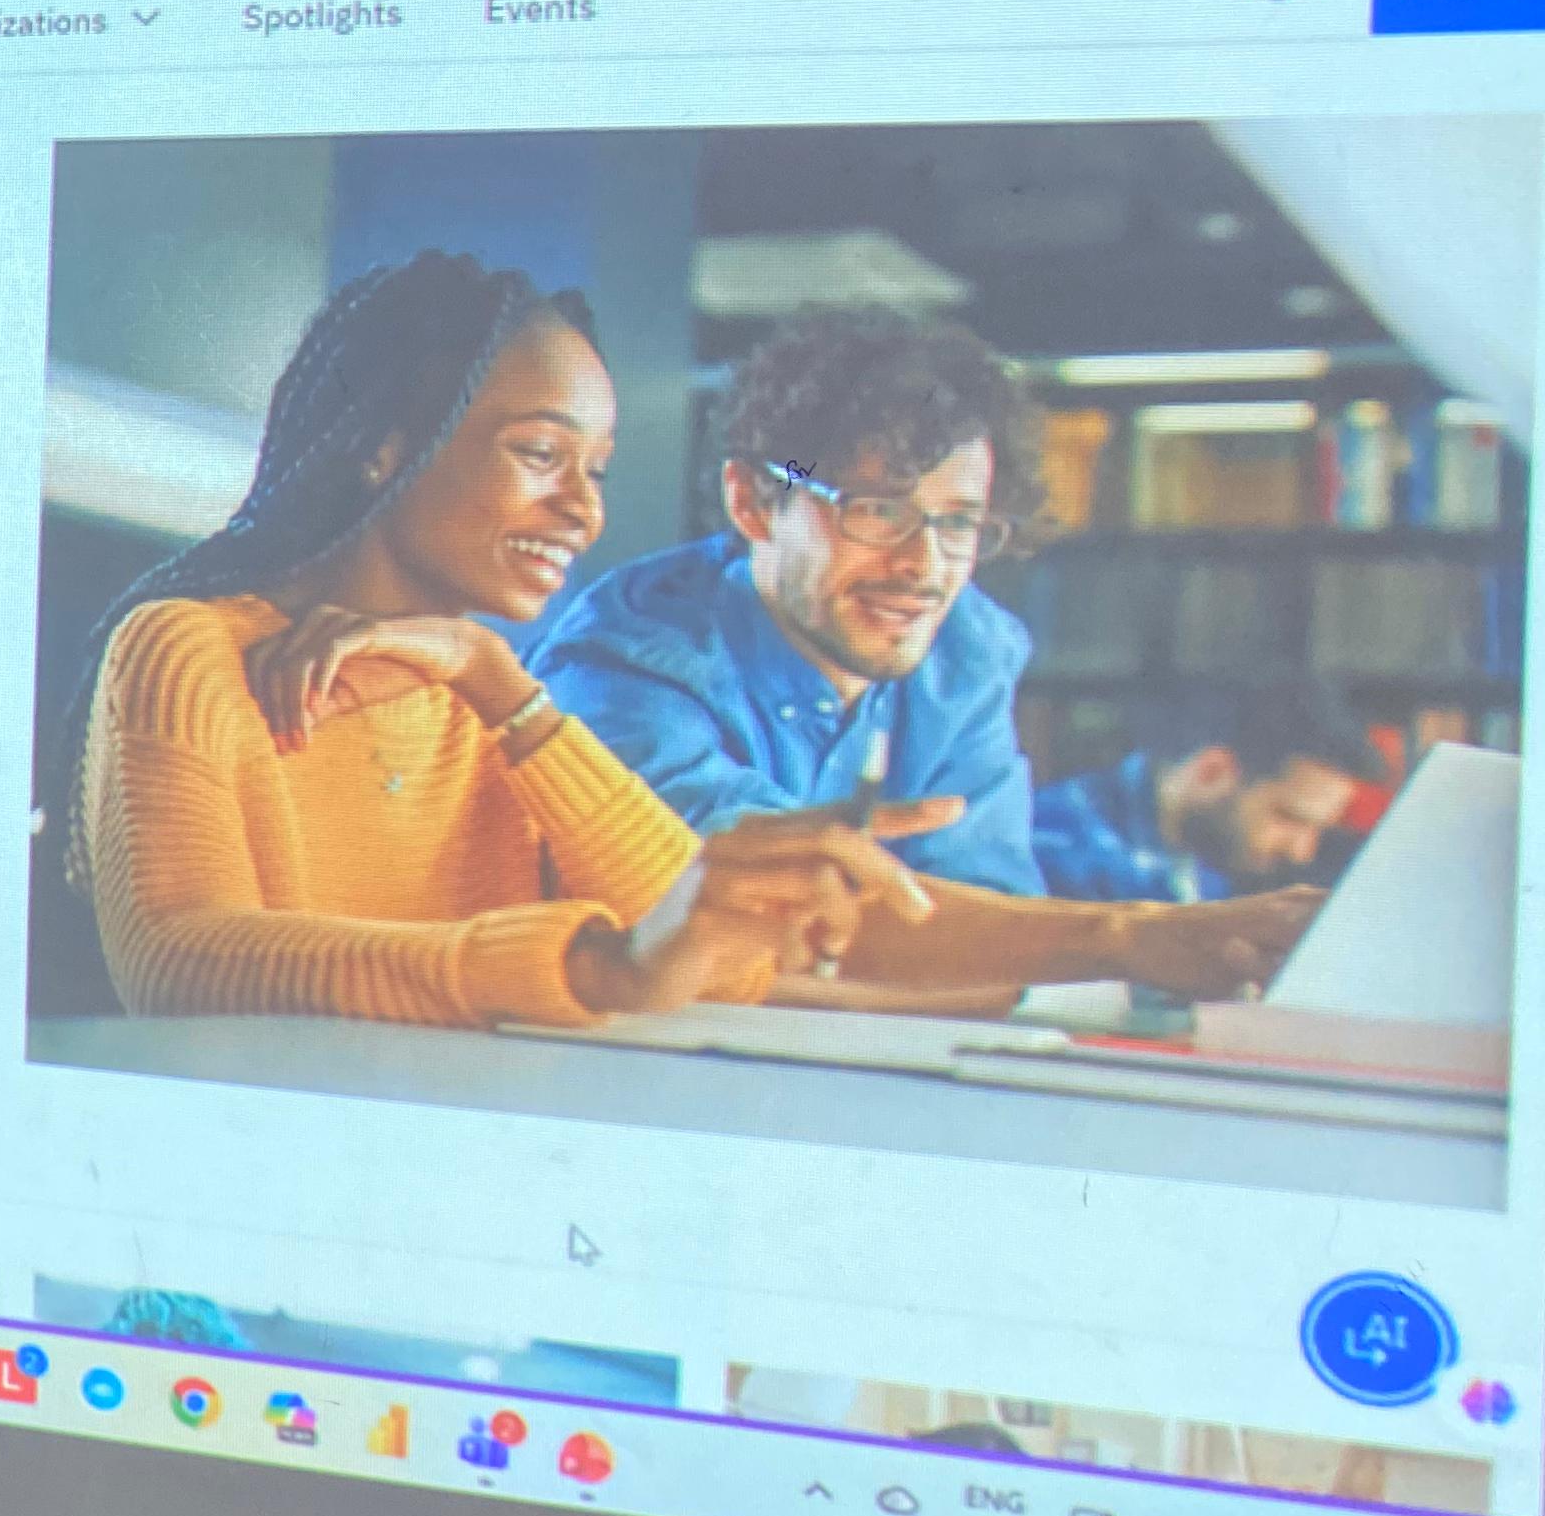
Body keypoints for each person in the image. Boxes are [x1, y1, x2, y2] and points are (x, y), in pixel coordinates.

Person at [47, 251, 952, 1029]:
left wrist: (499, 685)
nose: (584, 512)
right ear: (385, 447)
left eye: (596, 471)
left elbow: (713, 963)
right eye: (540, 455)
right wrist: (586, 969)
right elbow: (179, 961)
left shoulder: (487, 698)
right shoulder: (186, 646)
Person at [524, 305, 1316, 1000]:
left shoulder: (965, 651)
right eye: (877, 511)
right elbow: (753, 915)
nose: (924, 567)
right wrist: (1123, 937)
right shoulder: (623, 668)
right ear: (754, 502)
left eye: (958, 523)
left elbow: (990, 933)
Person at [1029, 683, 1378, 903]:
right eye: (1289, 818)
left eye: (1318, 830)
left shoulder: (1202, 871)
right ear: (1212, 771)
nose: (1302, 852)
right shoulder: (1058, 843)